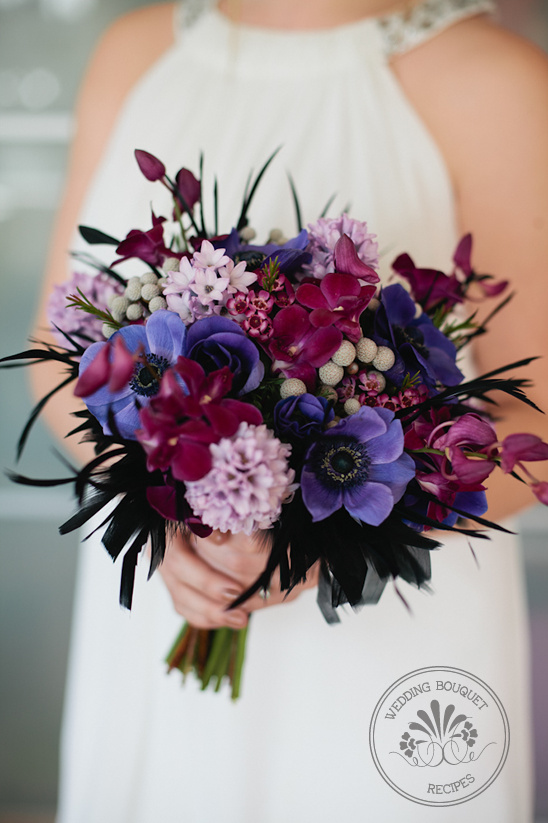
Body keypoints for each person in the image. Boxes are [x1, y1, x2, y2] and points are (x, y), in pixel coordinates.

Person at [32, 0, 548, 820]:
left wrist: (316, 541)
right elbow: (63, 360)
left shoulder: (495, 80)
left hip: (390, 635)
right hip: (166, 585)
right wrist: (158, 513)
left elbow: (541, 423)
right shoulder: (133, 52)